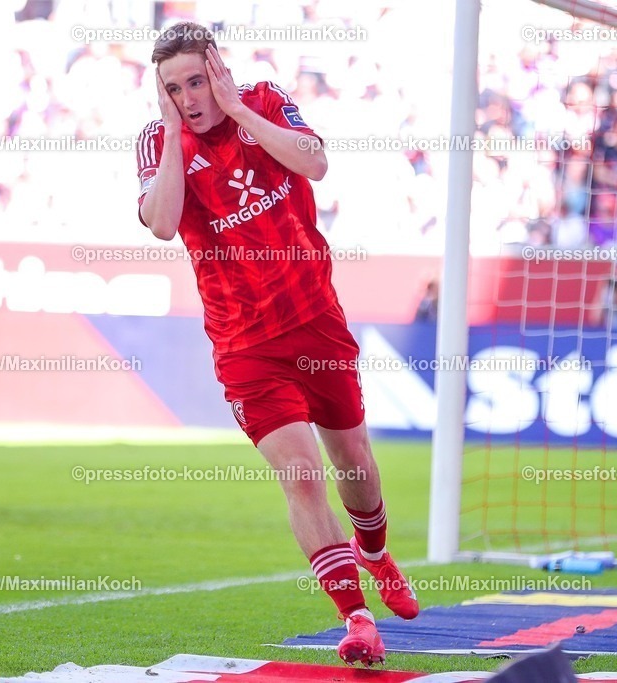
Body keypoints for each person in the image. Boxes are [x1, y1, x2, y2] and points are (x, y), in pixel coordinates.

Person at [135, 23, 418, 667]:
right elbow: (160, 223)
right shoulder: (158, 140)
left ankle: (375, 553)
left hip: (315, 322)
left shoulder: (263, 100)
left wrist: (236, 111)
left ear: (219, 71)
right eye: (174, 88)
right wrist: (175, 134)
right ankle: (356, 618)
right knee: (302, 476)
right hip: (245, 345)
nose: (188, 98)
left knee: (355, 463)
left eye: (196, 81)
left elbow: (315, 163)